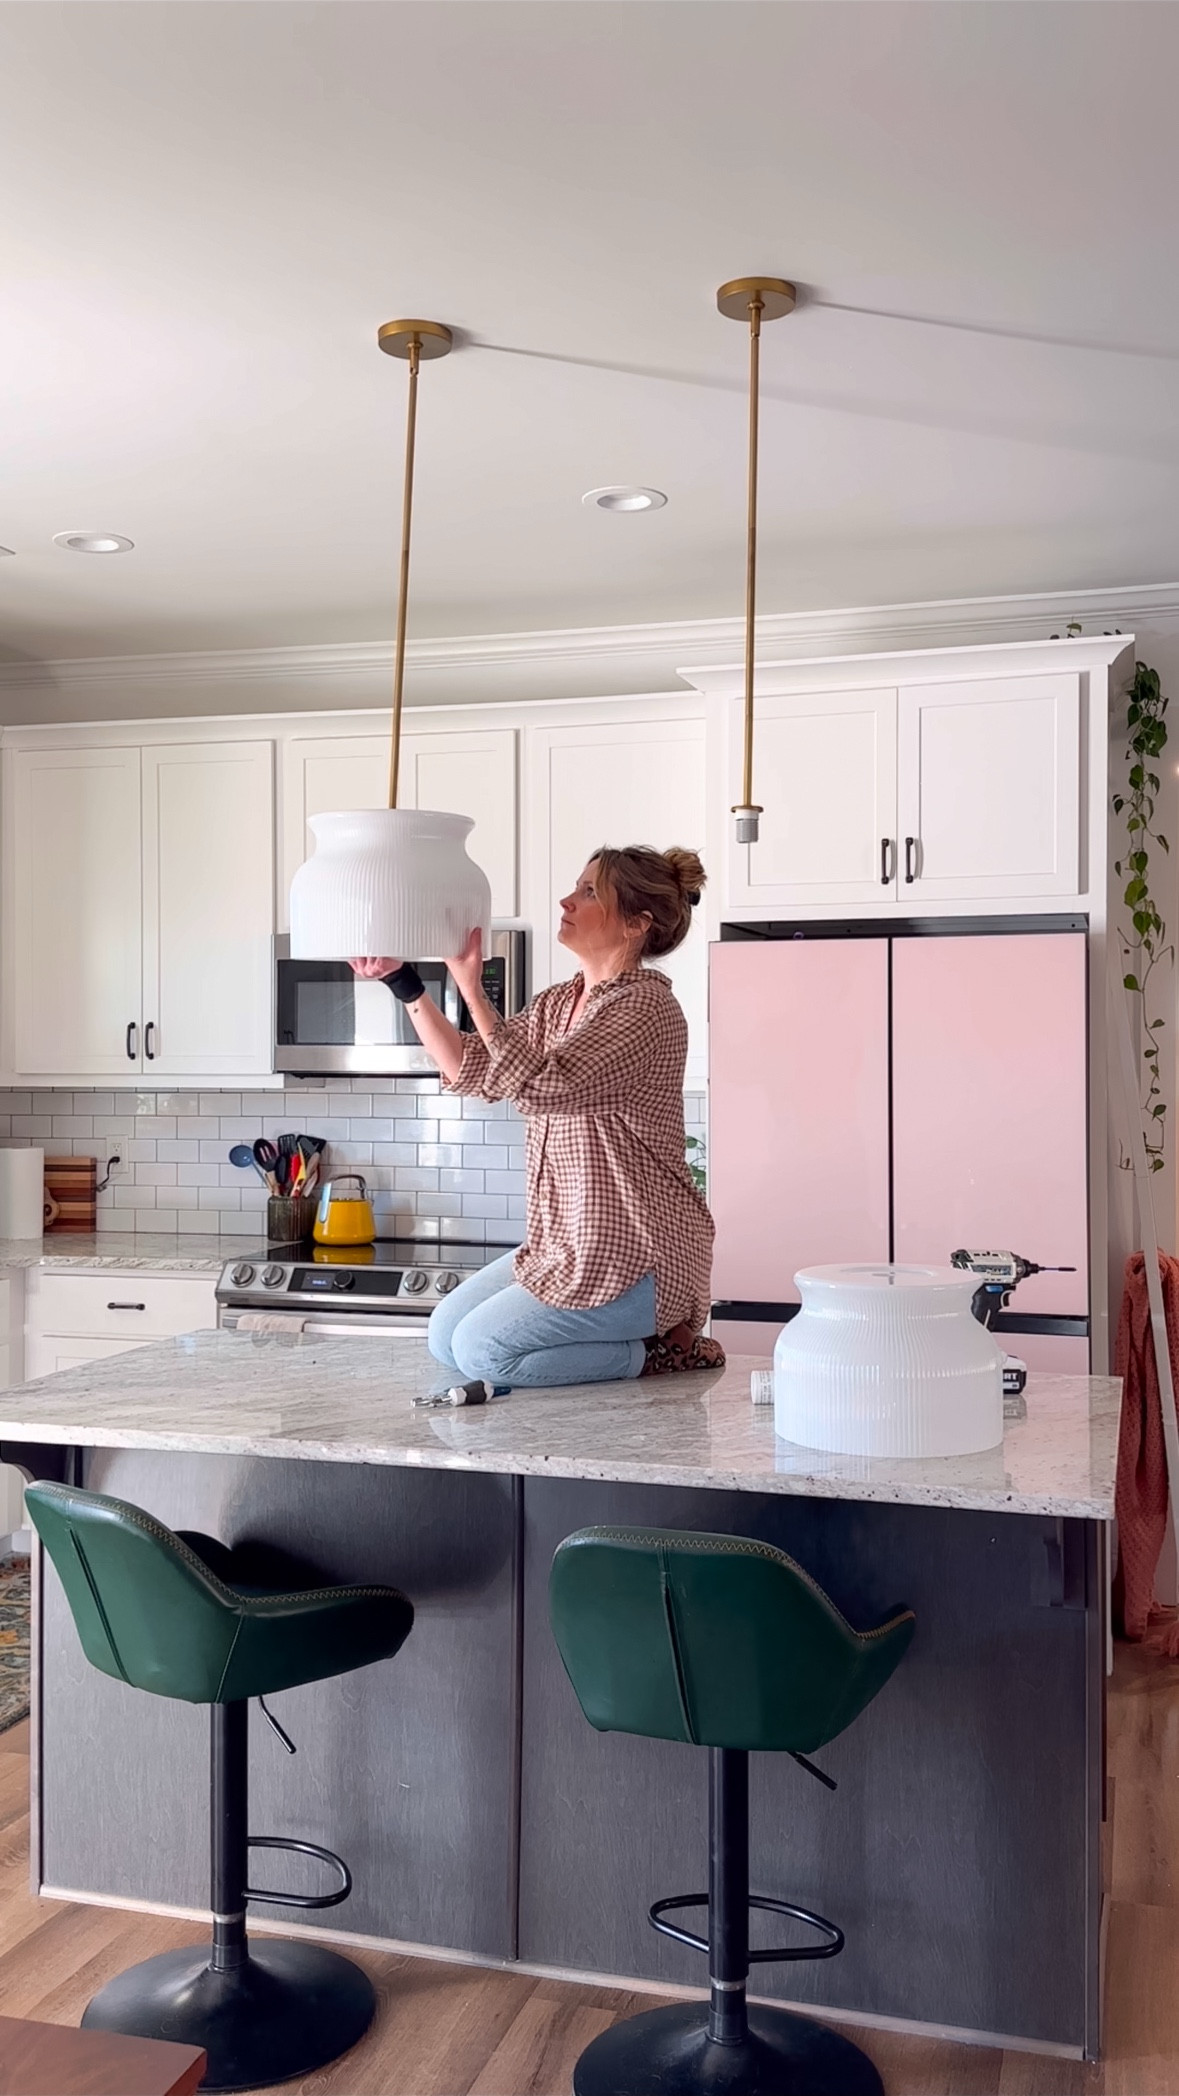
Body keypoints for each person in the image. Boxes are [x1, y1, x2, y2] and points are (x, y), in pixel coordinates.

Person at [350, 845, 722, 1389]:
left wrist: (473, 989)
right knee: (443, 1334)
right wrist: (403, 982)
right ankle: (632, 1345)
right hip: (566, 1246)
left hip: (640, 1258)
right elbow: (476, 1069)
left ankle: (657, 1353)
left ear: (637, 924)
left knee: (482, 1352)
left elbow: (545, 1087)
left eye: (590, 892)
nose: (567, 900)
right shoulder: (558, 1004)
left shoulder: (646, 1008)